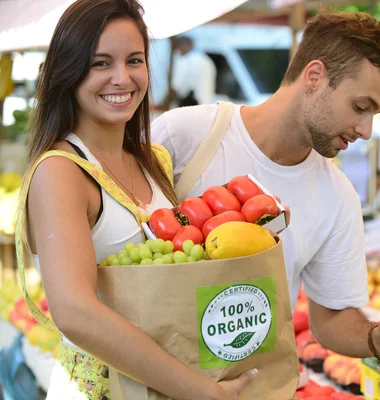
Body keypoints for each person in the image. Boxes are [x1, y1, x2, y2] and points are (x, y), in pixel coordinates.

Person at [152, 11, 380, 363]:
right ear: (315, 76)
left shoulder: (338, 197)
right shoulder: (182, 135)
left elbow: (331, 319)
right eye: (360, 107)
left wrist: (377, 340)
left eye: (374, 115)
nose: (366, 130)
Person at [20, 0, 256, 398]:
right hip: (103, 389)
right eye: (100, 63)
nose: (122, 78)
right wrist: (198, 390)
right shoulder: (60, 171)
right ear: (68, 71)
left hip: (165, 383)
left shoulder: (154, 161)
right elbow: (74, 312)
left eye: (134, 60)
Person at [170, 35, 217, 107]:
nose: (177, 51)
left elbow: (176, 86)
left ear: (184, 45)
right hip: (207, 106)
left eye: (178, 47)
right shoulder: (206, 60)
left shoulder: (184, 61)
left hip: (190, 106)